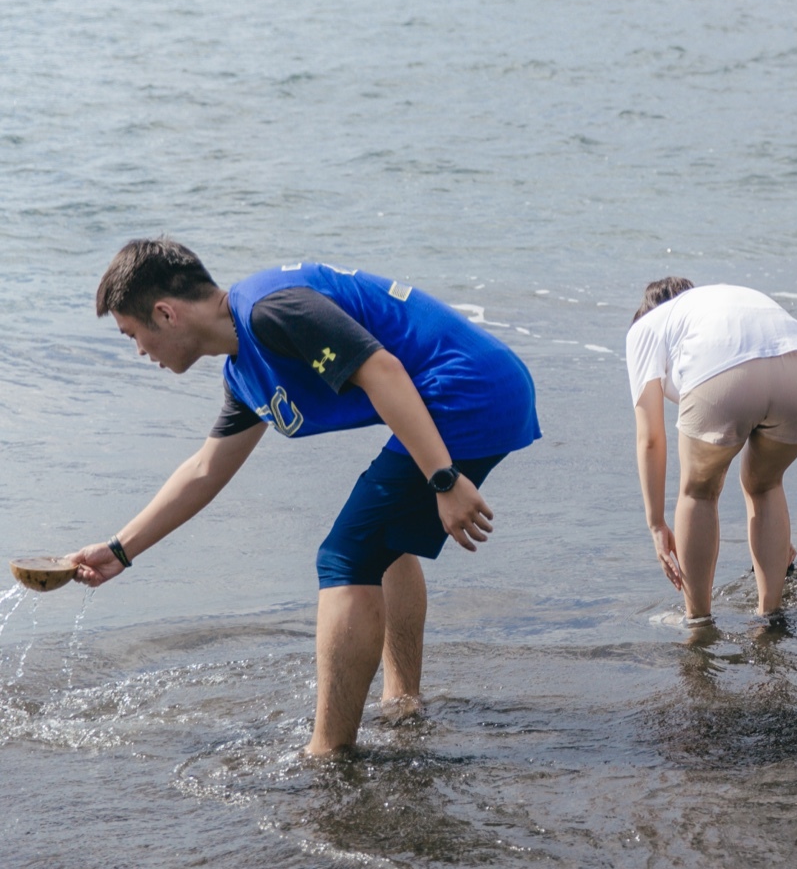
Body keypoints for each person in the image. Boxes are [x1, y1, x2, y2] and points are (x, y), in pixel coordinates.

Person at [65, 239, 540, 755]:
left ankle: (328, 753)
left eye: (133, 335)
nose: (139, 351)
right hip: (464, 392)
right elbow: (205, 469)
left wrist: (442, 480)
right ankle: (402, 703)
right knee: (383, 541)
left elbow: (384, 372)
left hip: (466, 393)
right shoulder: (245, 369)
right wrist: (119, 551)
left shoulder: (273, 310)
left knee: (345, 557)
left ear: (165, 313)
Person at [626, 276, 797, 624]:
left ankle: (698, 622)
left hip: (725, 373)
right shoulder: (722, 301)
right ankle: (769, 618)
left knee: (699, 492)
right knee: (765, 485)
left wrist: (657, 524)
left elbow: (650, 438)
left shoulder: (646, 327)